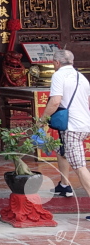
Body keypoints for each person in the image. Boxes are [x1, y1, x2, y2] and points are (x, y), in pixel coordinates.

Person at [39, 49, 90, 206]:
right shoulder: (82, 77)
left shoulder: (59, 75)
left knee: (80, 167)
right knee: (62, 151)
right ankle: (64, 185)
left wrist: (41, 120)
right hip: (83, 124)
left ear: (56, 62)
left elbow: (55, 101)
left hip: (72, 127)